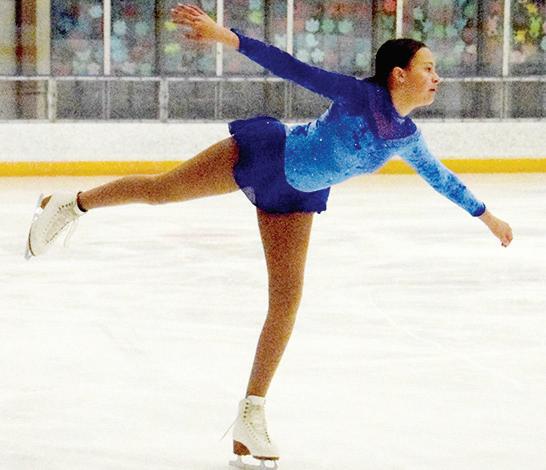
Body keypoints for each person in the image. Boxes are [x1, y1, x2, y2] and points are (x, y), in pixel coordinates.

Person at [26, 4, 513, 468]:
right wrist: (224, 36)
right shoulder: (357, 96)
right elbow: (290, 67)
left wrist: (486, 216)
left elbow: (441, 178)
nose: (437, 77)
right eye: (428, 68)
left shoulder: (407, 138)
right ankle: (71, 204)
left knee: (285, 301)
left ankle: (251, 415)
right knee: (162, 190)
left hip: (297, 197)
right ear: (398, 75)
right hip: (266, 155)